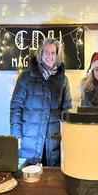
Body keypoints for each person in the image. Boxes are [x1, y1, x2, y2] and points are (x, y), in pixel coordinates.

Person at [10, 38, 72, 166]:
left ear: (57, 55)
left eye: (53, 53)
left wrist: (68, 136)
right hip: (30, 139)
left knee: (52, 179)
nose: (49, 56)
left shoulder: (63, 80)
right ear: (40, 53)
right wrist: (16, 136)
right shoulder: (26, 77)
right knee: (28, 178)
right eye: (46, 52)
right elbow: (16, 107)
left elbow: (67, 110)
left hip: (53, 140)